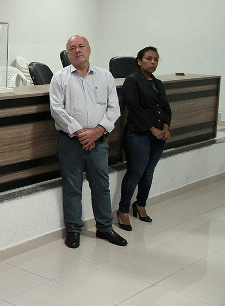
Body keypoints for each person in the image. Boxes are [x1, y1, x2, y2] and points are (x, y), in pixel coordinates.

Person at [49, 35, 127, 249]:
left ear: (89, 49)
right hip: (70, 142)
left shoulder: (105, 76)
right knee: (72, 187)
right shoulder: (59, 78)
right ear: (67, 53)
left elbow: (114, 108)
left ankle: (105, 228)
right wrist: (81, 133)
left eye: (81, 46)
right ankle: (74, 230)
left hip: (98, 141)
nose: (77, 51)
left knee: (101, 186)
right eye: (72, 48)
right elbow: (57, 110)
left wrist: (97, 131)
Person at [116, 47, 171, 231]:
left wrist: (165, 128)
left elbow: (166, 108)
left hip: (158, 135)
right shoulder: (132, 81)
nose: (153, 62)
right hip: (138, 134)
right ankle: (123, 210)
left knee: (149, 171)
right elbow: (135, 108)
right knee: (135, 172)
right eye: (148, 59)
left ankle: (140, 205)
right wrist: (153, 129)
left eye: (156, 59)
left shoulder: (158, 83)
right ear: (139, 61)